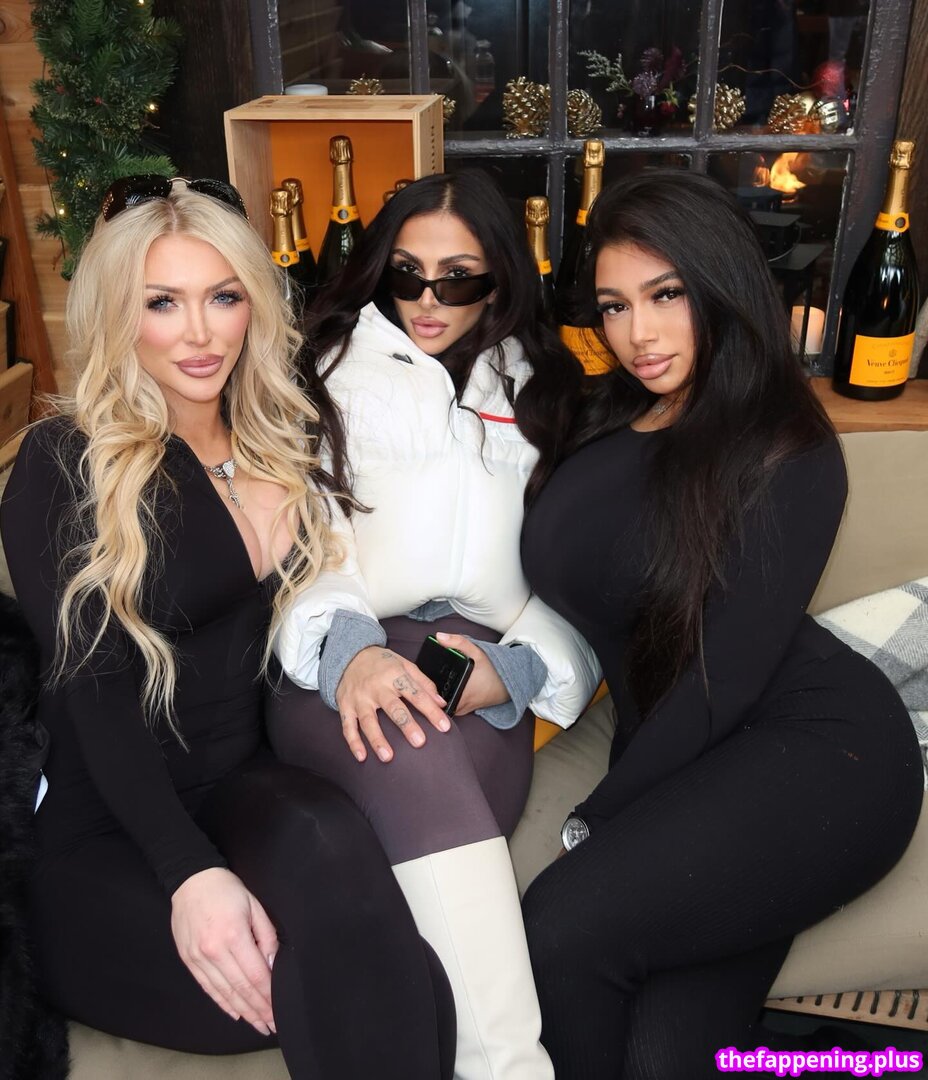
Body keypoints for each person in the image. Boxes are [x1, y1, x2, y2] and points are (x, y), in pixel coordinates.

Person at [0, 176, 456, 1080]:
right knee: (306, 989)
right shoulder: (63, 461)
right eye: (162, 303)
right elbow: (91, 686)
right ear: (118, 315)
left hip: (241, 781)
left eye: (223, 297)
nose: (200, 334)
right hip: (104, 823)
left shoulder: (282, 436)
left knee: (407, 971)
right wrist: (190, 874)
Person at [519, 170, 923, 1079]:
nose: (639, 333)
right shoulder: (607, 417)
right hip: (693, 754)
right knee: (662, 1055)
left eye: (666, 295)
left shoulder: (788, 450)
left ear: (720, 284)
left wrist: (599, 821)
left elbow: (722, 676)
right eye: (615, 305)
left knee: (560, 928)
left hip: (821, 758)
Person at [267, 170, 601, 1079]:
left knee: (430, 831)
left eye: (458, 279)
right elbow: (300, 547)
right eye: (406, 274)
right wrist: (352, 655)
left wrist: (519, 672)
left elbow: (580, 578)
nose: (427, 300)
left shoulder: (546, 391)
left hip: (485, 669)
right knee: (410, 748)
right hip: (342, 652)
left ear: (501, 278)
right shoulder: (319, 374)